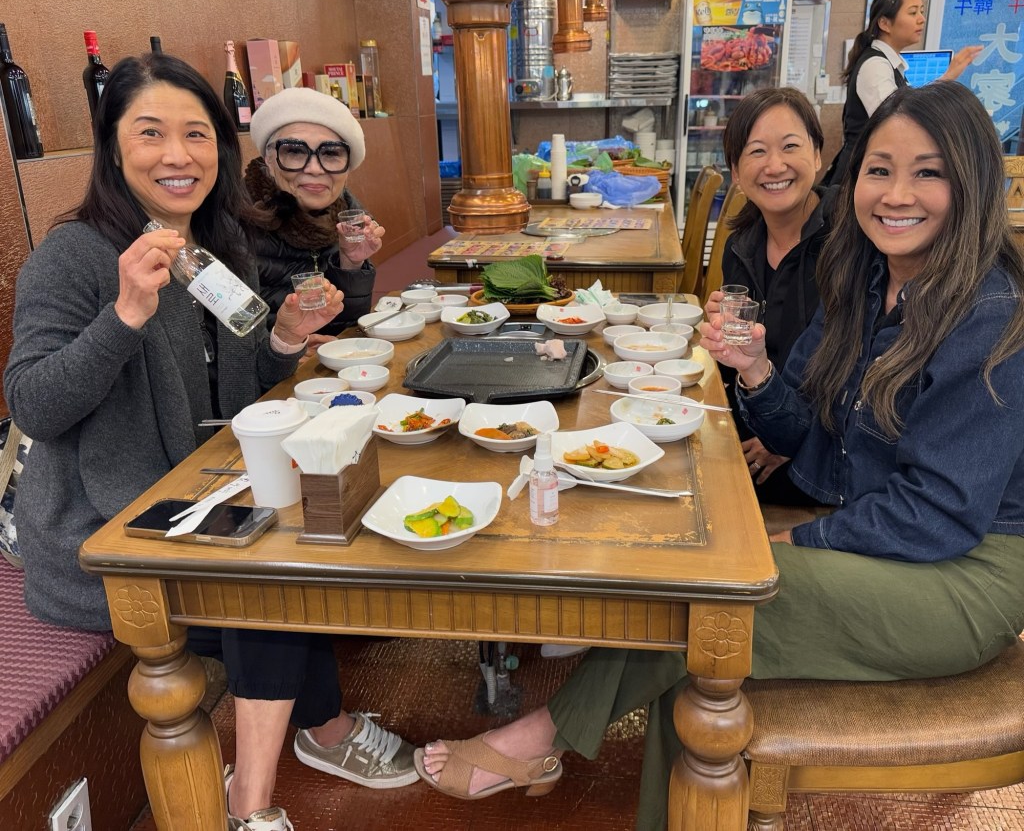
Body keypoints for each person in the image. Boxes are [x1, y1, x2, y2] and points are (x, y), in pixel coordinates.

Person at [413, 81, 1024, 830]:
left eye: (928, 173)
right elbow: (801, 435)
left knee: (713, 599)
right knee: (703, 642)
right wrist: (757, 369)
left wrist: (798, 539)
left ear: (973, 184)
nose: (897, 194)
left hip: (964, 576)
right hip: (879, 531)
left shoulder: (989, 314)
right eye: (880, 169)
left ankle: (540, 736)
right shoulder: (863, 281)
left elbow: (939, 514)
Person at [2, 54, 416, 831]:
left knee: (306, 541)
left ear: (220, 149)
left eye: (196, 134)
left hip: (201, 493)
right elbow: (34, 404)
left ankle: (321, 732)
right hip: (104, 531)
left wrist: (285, 335)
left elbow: (246, 384)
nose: (177, 154)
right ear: (112, 145)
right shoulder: (76, 255)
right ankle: (251, 806)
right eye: (150, 132)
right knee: (266, 581)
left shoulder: (217, 246)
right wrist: (124, 314)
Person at [707, 86, 833, 504]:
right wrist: (720, 335)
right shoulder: (742, 246)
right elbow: (742, 363)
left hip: (820, 462)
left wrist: (788, 437)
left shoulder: (848, 243)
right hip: (755, 425)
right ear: (736, 171)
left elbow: (858, 374)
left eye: (790, 146)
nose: (775, 165)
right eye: (757, 151)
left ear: (818, 154)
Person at [245, 88, 385, 355]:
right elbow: (230, 345)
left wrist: (351, 264)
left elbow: (343, 329)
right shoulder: (236, 224)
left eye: (330, 154)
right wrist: (286, 348)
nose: (314, 168)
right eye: (295, 152)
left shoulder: (346, 220)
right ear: (269, 159)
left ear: (347, 167)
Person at [823, 0, 981, 186]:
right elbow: (897, 121)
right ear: (885, 23)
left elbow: (906, 109)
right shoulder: (875, 65)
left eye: (922, 11)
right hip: (859, 176)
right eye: (913, 12)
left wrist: (949, 76)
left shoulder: (889, 64)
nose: (921, 19)